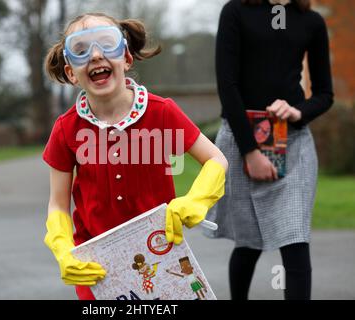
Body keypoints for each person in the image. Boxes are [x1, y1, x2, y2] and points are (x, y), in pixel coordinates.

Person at [41, 12, 228, 300]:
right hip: (95, 263)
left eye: (106, 44)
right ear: (70, 73)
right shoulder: (66, 129)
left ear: (126, 58)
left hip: (161, 252)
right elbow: (57, 203)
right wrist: (63, 248)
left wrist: (195, 200)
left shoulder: (161, 112)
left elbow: (216, 159)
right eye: (81, 50)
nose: (95, 55)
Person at [203, 0, 334, 300]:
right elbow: (228, 85)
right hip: (240, 139)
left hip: (293, 141)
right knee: (249, 243)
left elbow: (325, 94)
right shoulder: (235, 11)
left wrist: (299, 111)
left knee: (295, 241)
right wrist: (251, 151)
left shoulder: (311, 21)